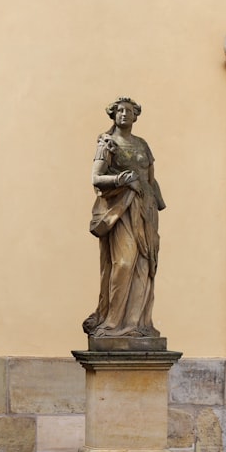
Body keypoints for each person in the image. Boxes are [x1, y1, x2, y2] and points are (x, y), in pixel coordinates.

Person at [82, 97, 166, 338]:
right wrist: (121, 179)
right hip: (122, 210)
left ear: (135, 116)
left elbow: (150, 179)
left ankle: (138, 324)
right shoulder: (107, 144)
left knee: (144, 265)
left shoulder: (142, 145)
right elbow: (96, 178)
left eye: (129, 111)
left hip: (145, 209)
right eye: (119, 110)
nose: (124, 114)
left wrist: (154, 205)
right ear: (113, 115)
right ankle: (112, 322)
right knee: (123, 263)